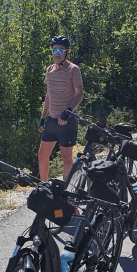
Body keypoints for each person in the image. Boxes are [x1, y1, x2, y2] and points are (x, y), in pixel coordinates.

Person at [38, 36, 83, 181]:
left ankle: (65, 191)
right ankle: (44, 188)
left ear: (66, 51)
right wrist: (42, 118)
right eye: (54, 50)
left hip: (67, 120)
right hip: (52, 119)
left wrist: (69, 111)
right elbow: (48, 95)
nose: (57, 53)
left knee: (66, 158)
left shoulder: (73, 69)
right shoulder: (49, 70)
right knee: (42, 154)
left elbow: (80, 93)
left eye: (60, 50)